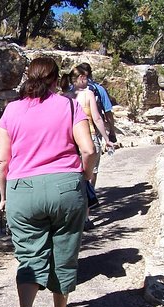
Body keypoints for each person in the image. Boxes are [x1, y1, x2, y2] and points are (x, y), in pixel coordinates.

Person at [0, 57, 98, 307]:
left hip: (22, 190)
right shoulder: (68, 106)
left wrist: (4, 195)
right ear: (57, 80)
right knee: (64, 254)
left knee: (29, 256)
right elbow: (88, 149)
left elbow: (3, 161)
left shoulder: (11, 110)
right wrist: (86, 179)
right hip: (66, 186)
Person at [60, 64, 116, 230]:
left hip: (69, 140)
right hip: (88, 137)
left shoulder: (64, 96)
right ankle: (85, 217)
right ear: (81, 78)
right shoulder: (88, 94)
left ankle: (69, 215)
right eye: (86, 78)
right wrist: (107, 138)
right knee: (89, 177)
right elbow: (97, 118)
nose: (88, 81)